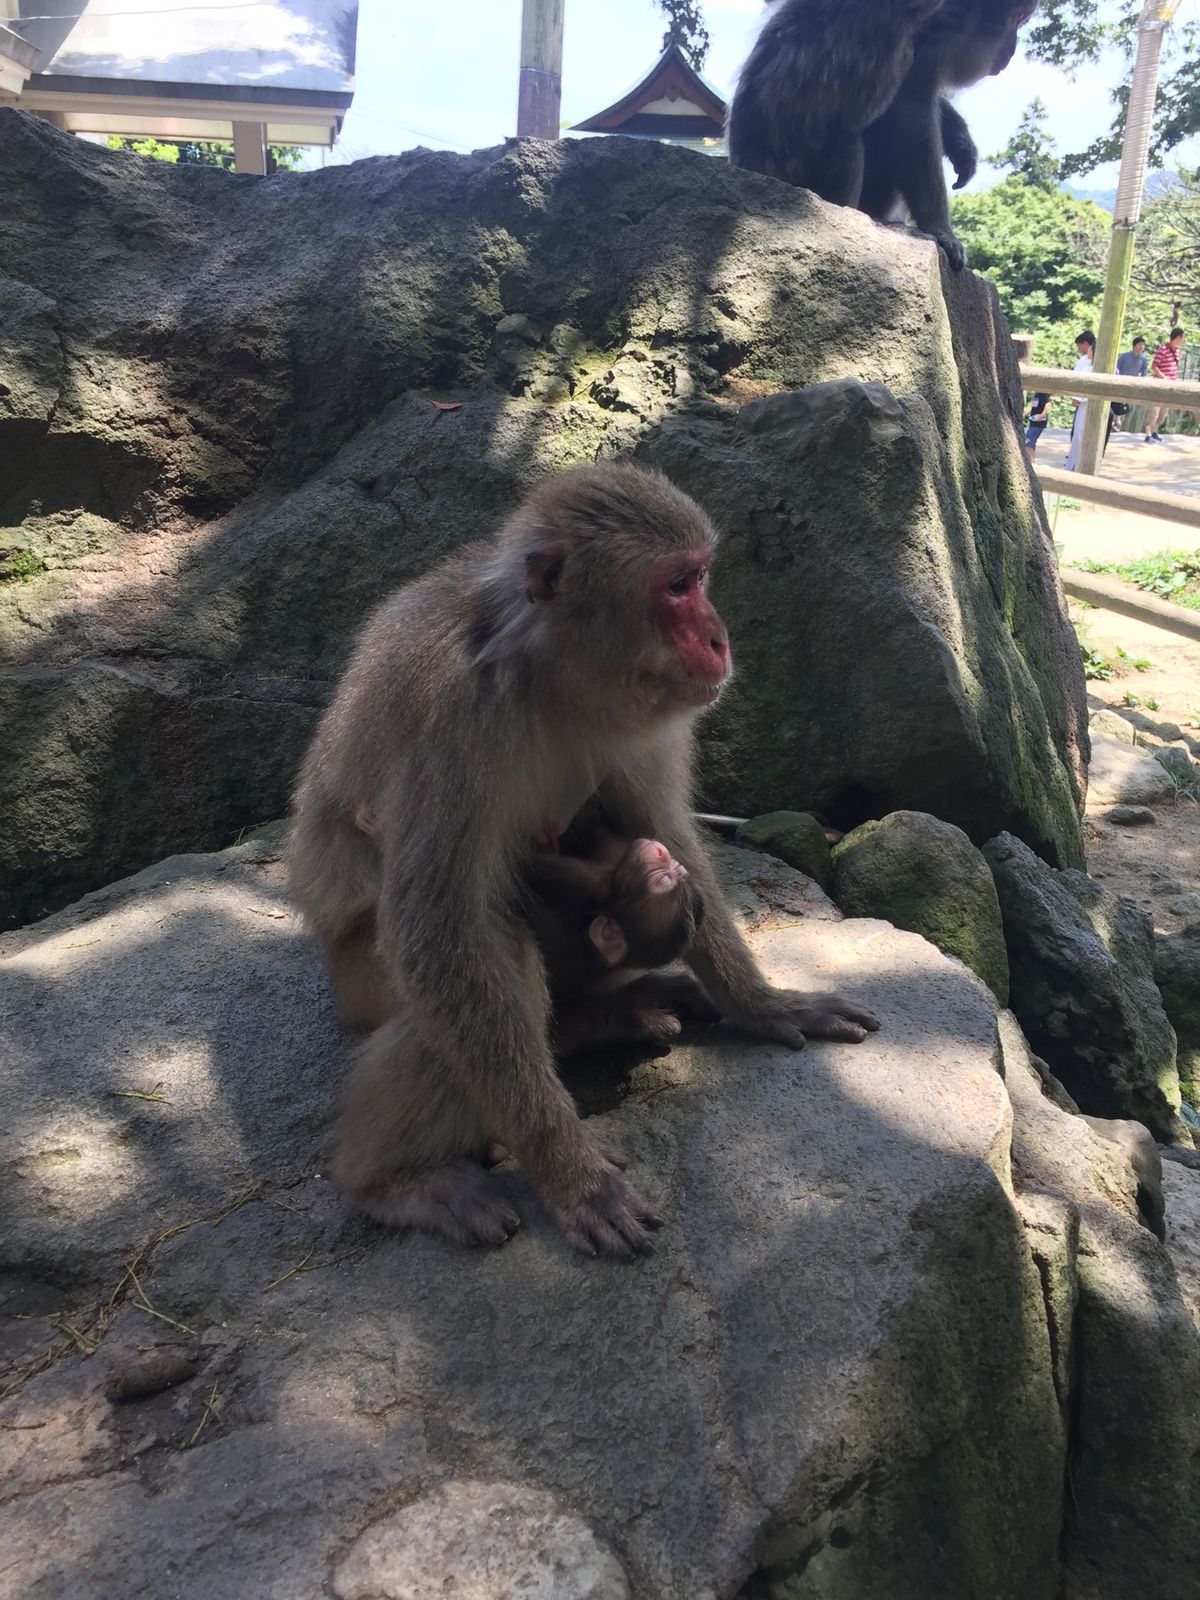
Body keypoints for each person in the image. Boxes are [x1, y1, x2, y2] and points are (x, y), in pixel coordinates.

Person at [1144, 327, 1185, 443]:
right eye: (1182, 337)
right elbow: (1154, 367)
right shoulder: (1162, 349)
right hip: (1159, 384)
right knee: (1154, 410)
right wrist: (1164, 377)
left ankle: (1154, 431)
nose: (1183, 340)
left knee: (1163, 411)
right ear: (1178, 337)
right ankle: (1148, 434)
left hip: (1170, 386)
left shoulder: (1177, 351)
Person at [1063, 330, 1095, 472]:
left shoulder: (1087, 367)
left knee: (1079, 436)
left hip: (1084, 404)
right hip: (1093, 405)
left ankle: (1074, 466)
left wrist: (1075, 399)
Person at [1112, 336, 1147, 431]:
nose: (1141, 347)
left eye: (1143, 345)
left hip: (1132, 385)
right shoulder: (1124, 356)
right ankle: (1115, 421)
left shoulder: (1143, 360)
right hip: (1121, 382)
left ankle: (1119, 424)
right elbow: (1116, 367)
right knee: (1117, 401)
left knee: (1126, 404)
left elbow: (1144, 373)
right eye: (1140, 344)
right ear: (1134, 346)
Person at [1024, 391, 1050, 458]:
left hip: (1038, 424)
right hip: (1034, 423)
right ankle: (1031, 458)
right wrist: (1025, 415)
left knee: (1028, 442)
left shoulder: (1046, 400)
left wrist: (1038, 417)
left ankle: (1030, 458)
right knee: (1031, 441)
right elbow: (1033, 409)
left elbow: (1044, 413)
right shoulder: (1036, 397)